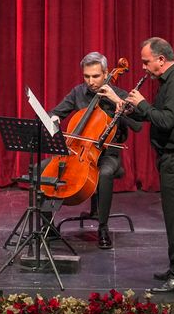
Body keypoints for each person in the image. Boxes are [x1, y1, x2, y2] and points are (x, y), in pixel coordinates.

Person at [122, 37, 174, 293]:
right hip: (171, 157)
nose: (143, 67)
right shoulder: (168, 80)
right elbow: (157, 115)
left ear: (161, 60)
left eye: (146, 62)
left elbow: (165, 121)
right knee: (171, 216)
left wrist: (142, 103)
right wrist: (134, 109)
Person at [48, 52, 142, 249]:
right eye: (86, 76)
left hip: (108, 154)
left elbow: (137, 125)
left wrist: (116, 100)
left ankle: (103, 227)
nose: (90, 81)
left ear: (106, 73)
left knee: (105, 173)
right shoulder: (78, 92)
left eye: (96, 76)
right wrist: (54, 118)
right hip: (79, 153)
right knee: (42, 169)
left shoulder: (119, 94)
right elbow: (55, 112)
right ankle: (48, 227)